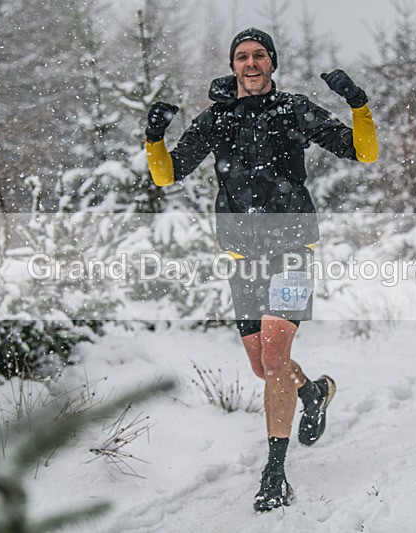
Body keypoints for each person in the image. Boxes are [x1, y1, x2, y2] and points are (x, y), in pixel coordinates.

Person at [144, 27, 378, 512]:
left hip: (292, 250)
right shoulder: (218, 118)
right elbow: (168, 174)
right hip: (241, 257)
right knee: (262, 366)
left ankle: (275, 472)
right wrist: (154, 137)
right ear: (233, 66)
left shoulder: (293, 109)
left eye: (259, 55)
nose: (250, 63)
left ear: (272, 62)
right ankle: (313, 391)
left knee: (273, 359)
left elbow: (363, 152)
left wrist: (358, 105)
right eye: (242, 57)